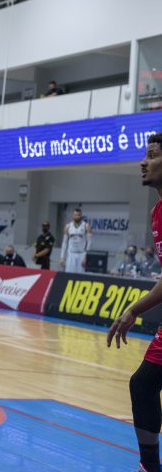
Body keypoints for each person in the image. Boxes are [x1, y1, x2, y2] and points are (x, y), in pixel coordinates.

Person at [108, 132, 162, 472]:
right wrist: (133, 310)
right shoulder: (157, 212)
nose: (144, 162)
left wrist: (133, 309)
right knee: (142, 384)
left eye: (153, 155)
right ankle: (149, 467)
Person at [60, 207, 92, 273]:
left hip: (81, 254)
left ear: (81, 215)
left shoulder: (86, 226)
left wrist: (86, 256)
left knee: (80, 276)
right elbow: (64, 243)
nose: (77, 217)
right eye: (75, 215)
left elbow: (89, 242)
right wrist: (62, 257)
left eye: (78, 215)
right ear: (73, 215)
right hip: (71, 254)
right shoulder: (68, 226)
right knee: (69, 275)